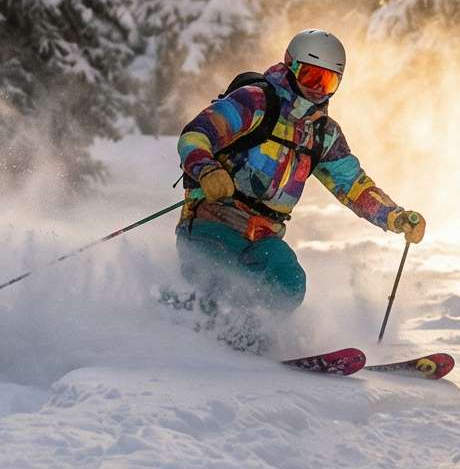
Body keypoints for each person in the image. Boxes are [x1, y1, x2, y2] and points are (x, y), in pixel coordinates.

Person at [172, 28, 426, 341]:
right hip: (212, 219)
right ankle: (181, 325)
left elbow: (353, 185)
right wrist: (207, 170)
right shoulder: (256, 102)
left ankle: (246, 340)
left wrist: (394, 216)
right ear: (291, 67)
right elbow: (195, 135)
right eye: (310, 77)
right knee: (222, 282)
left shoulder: (322, 133)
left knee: (288, 282)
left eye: (328, 81)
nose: (318, 90)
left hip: (262, 234)